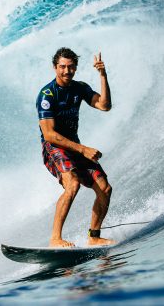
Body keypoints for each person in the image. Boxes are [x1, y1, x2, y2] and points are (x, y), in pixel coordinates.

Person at [36, 47, 115, 247]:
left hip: (74, 146)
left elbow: (104, 105)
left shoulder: (79, 88)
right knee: (72, 184)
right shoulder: (47, 95)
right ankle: (55, 239)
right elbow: (49, 134)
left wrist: (103, 75)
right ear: (55, 67)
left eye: (71, 67)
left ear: (76, 68)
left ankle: (94, 236)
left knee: (104, 189)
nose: (66, 71)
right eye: (62, 67)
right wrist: (83, 149)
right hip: (54, 146)